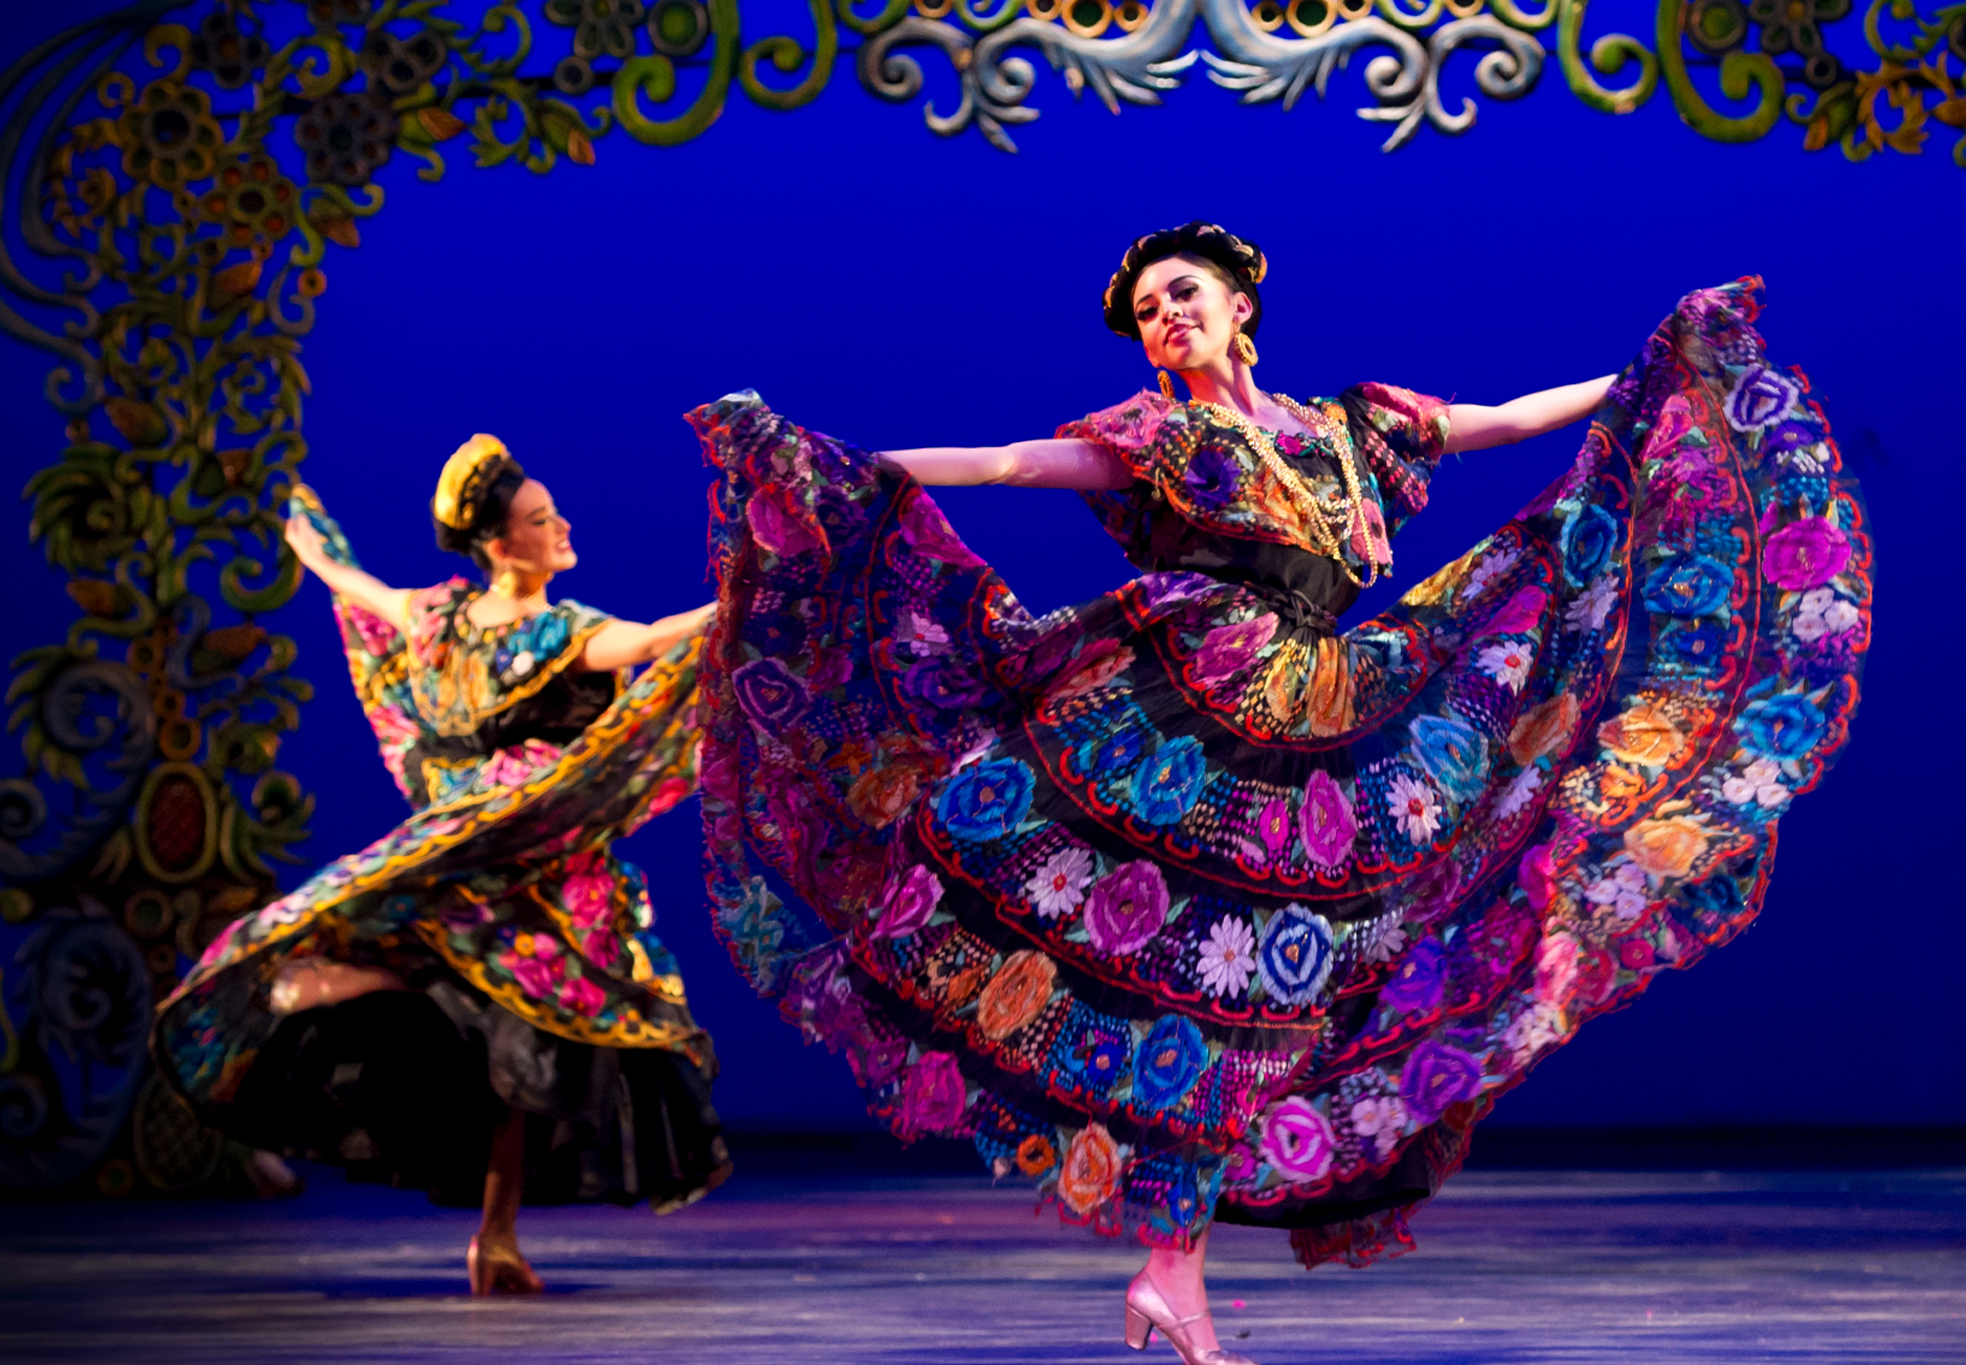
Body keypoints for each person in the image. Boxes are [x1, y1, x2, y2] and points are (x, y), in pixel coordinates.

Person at [693, 223, 1870, 1361]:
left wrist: (1655, 371)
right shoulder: (1150, 437)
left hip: (1323, 720)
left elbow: (1503, 420)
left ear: (1239, 306)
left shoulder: (1350, 428)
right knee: (1197, 997)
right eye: (1148, 309)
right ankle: (1173, 1275)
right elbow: (1006, 463)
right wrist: (832, 469)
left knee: (1264, 1001)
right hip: (1182, 716)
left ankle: (1171, 1271)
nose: (1166, 315)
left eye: (1184, 293)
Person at [152, 436, 727, 1295]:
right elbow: (656, 639)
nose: (562, 525)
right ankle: (355, 985)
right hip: (530, 861)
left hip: (467, 842)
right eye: (540, 519)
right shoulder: (561, 634)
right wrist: (748, 597)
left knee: (516, 1046)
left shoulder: (437, 620)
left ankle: (495, 1237)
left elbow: (350, 582)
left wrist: (296, 512)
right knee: (533, 1032)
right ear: (501, 545)